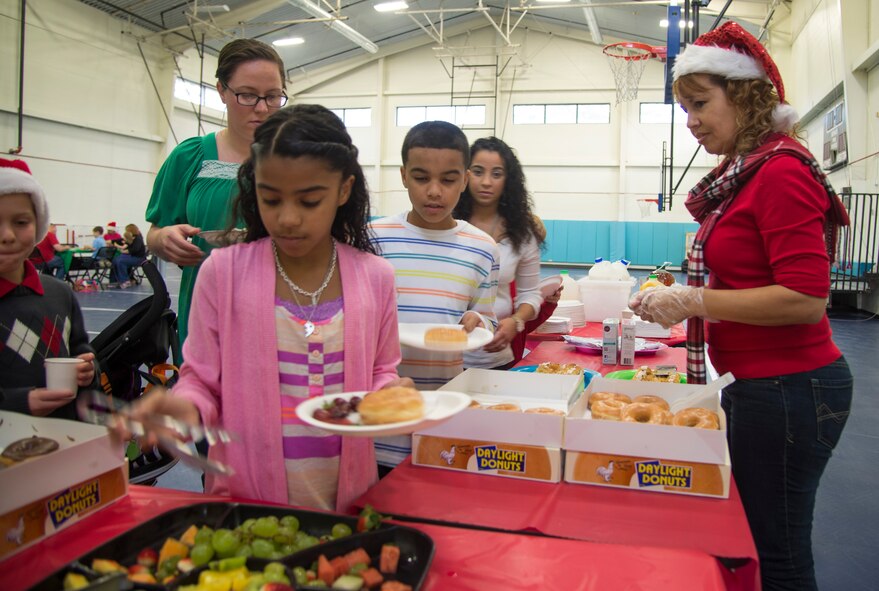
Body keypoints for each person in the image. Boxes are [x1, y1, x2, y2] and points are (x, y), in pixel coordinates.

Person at [628, 22, 852, 591]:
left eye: (700, 103)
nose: (691, 121)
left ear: (745, 94)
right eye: (686, 107)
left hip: (788, 387)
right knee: (758, 537)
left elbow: (804, 299)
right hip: (760, 383)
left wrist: (694, 299)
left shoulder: (780, 171)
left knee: (776, 553)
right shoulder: (745, 174)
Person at [118, 105, 410, 512]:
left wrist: (391, 394)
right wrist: (181, 406)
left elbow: (380, 372)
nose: (288, 218)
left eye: (310, 201)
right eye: (271, 199)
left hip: (349, 501)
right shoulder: (223, 272)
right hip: (245, 503)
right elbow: (201, 381)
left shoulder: (374, 277)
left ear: (343, 190)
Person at [369, 121, 500, 472]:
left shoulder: (483, 248)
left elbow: (485, 314)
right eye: (421, 177)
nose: (434, 192)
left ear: (465, 179)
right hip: (381, 413)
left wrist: (480, 322)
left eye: (448, 179)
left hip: (443, 411)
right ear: (403, 175)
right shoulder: (372, 239)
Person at [145, 38, 287, 345]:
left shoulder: (298, 161)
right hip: (206, 316)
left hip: (284, 317)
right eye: (247, 95)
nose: (262, 108)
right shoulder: (190, 157)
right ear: (222, 90)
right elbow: (155, 232)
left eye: (273, 96)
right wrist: (163, 239)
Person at [0, 158, 96, 419]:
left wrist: (87, 368)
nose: (7, 235)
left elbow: (79, 347)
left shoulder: (59, 293)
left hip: (62, 438)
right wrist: (20, 402)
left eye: (20, 222)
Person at [454, 137, 547, 369]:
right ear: (464, 174)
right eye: (478, 171)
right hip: (446, 354)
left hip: (494, 356)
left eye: (496, 174)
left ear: (508, 180)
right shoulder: (447, 224)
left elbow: (530, 294)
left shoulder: (522, 233)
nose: (486, 182)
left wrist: (515, 321)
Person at [111, 223, 147, 289]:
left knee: (121, 261)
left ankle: (125, 281)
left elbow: (134, 249)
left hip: (139, 258)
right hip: (133, 257)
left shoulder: (138, 238)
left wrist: (123, 251)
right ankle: (115, 280)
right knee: (115, 259)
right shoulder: (132, 237)